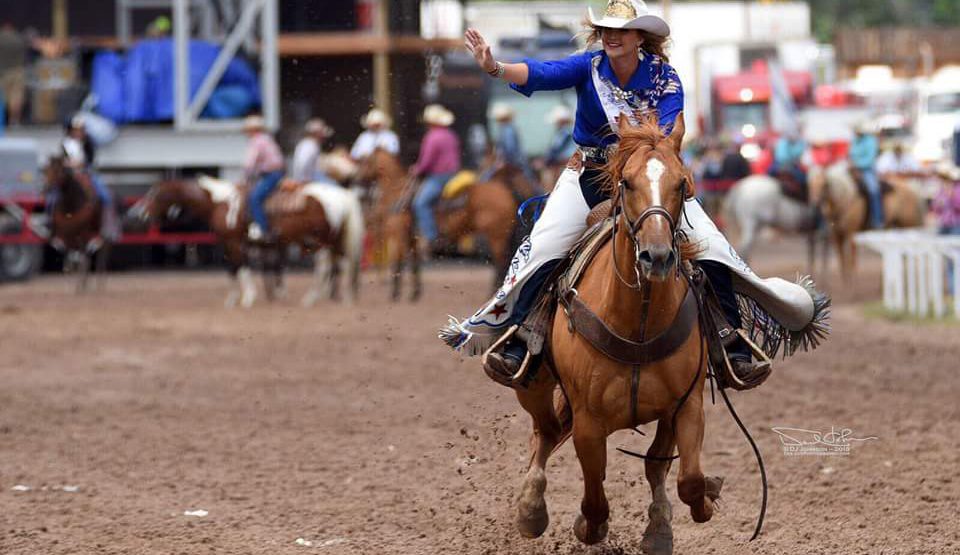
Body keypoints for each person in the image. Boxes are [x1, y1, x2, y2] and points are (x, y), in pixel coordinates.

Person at [452, 0, 770, 385]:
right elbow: (541, 72)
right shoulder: (589, 66)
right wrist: (493, 66)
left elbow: (668, 137)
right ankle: (522, 333)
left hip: (648, 178)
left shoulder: (665, 78)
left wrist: (652, 162)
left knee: (713, 246)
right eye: (606, 30)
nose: (612, 37)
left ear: (640, 36)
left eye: (621, 30)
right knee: (543, 246)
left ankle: (729, 340)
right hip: (588, 174)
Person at [57, 115, 119, 240]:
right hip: (69, 174)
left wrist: (77, 163)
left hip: (85, 172)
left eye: (80, 129)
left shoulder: (88, 144)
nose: (78, 132)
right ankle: (53, 225)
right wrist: (70, 164)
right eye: (75, 129)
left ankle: (109, 226)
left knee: (105, 195)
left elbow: (88, 161)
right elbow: (63, 161)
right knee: (53, 195)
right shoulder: (65, 144)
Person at [411, 104, 461, 252]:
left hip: (438, 177)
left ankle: (431, 237)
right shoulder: (451, 135)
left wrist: (416, 170)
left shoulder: (431, 137)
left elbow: (426, 162)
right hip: (454, 175)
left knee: (420, 204)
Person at [243, 115, 285, 242]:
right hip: (277, 173)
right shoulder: (267, 139)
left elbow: (249, 163)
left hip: (271, 174)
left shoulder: (257, 141)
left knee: (254, 198)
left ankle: (263, 230)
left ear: (253, 130)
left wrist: (245, 177)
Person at [486, 102, 536, 183]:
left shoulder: (507, 130)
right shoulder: (508, 129)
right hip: (517, 160)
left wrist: (504, 161)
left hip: (514, 161)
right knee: (531, 181)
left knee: (486, 177)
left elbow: (510, 149)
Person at [849, 121, 883, 229]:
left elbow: (870, 159)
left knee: (873, 190)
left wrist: (857, 165)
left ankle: (877, 219)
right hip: (853, 169)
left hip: (867, 170)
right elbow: (851, 154)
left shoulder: (870, 141)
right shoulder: (854, 141)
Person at [290, 118, 335, 184]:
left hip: (307, 178)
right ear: (316, 134)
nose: (324, 137)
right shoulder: (310, 145)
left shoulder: (307, 143)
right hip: (306, 180)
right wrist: (304, 180)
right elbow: (302, 164)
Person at [0, 22, 27, 126]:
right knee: (16, 98)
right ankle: (14, 120)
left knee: (2, 97)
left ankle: (2, 120)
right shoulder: (18, 38)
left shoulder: (1, 38)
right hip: (17, 71)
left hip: (3, 72)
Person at [769, 129, 807, 196]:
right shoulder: (782, 142)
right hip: (783, 165)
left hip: (793, 166)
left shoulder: (802, 143)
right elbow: (782, 157)